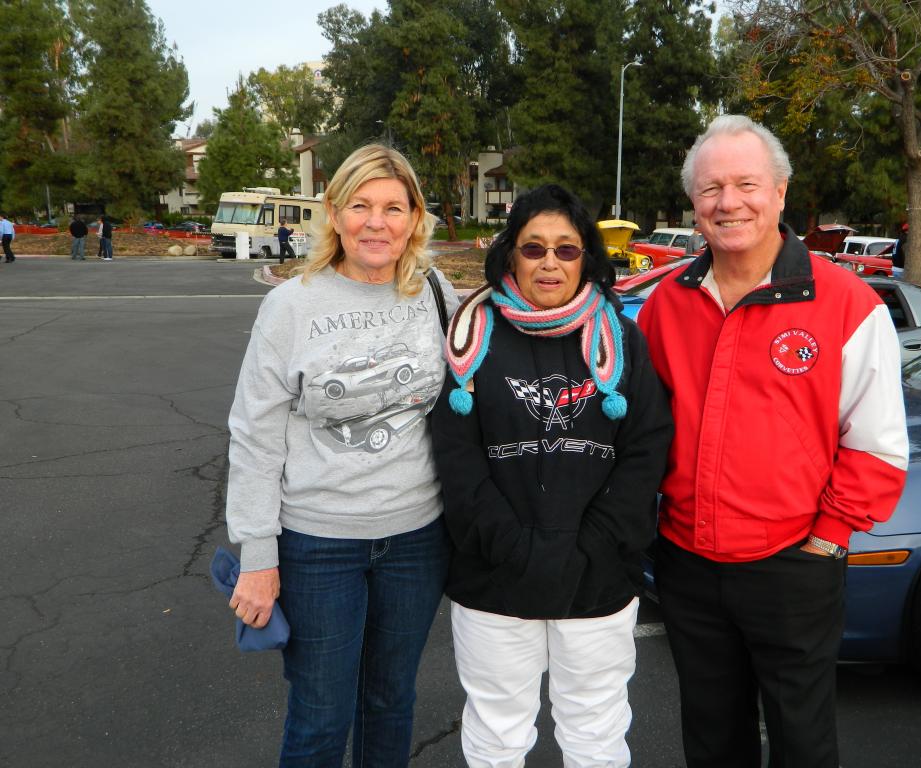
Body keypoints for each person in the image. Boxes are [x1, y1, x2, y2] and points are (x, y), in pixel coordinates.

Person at [638, 115, 909, 768]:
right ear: (694, 206)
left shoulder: (845, 303)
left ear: (781, 193)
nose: (728, 202)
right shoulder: (665, 303)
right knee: (710, 735)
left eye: (745, 184)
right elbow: (640, 430)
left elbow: (876, 445)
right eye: (710, 190)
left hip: (794, 565)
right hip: (688, 563)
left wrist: (827, 540)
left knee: (802, 740)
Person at [225, 143, 459, 766]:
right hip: (317, 543)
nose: (376, 222)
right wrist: (257, 554)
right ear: (334, 213)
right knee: (321, 718)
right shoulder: (291, 306)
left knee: (390, 702)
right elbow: (254, 434)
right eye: (360, 205)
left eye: (393, 206)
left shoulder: (435, 293)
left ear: (414, 217)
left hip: (417, 539)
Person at [432, 184, 674, 768]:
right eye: (533, 247)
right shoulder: (470, 339)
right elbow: (456, 458)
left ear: (587, 258)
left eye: (566, 250)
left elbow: (646, 451)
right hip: (494, 579)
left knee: (595, 733)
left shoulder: (622, 339)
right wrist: (512, 547)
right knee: (496, 736)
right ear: (510, 254)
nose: (549, 262)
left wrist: (591, 544)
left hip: (597, 577)